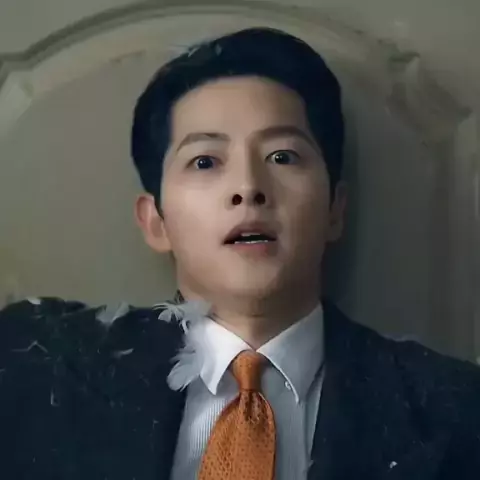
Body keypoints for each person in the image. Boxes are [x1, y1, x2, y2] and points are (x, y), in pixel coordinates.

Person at [0, 27, 479, 480]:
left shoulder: (456, 409)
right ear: (156, 221)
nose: (248, 187)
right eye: (205, 161)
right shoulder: (38, 370)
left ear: (335, 209)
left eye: (283, 157)